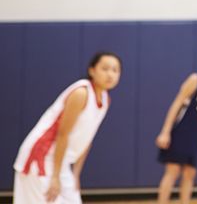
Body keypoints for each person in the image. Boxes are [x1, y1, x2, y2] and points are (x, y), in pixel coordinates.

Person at [13, 52, 122, 203]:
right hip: (40, 158)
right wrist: (55, 177)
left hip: (61, 162)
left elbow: (87, 139)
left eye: (115, 70)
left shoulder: (105, 99)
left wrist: (76, 174)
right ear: (92, 70)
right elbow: (62, 134)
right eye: (105, 68)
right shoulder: (81, 93)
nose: (110, 74)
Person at [156, 47, 197, 204]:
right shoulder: (195, 79)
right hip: (182, 131)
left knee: (189, 173)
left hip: (195, 135)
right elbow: (177, 103)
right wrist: (165, 132)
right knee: (172, 171)